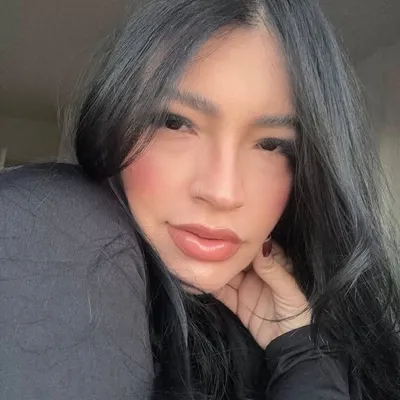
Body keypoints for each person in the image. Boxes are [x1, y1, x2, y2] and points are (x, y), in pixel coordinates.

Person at [1, 0, 399, 399]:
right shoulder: (48, 229)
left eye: (271, 144)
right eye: (175, 122)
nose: (223, 192)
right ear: (116, 122)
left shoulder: (311, 327)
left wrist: (302, 355)